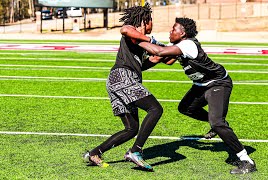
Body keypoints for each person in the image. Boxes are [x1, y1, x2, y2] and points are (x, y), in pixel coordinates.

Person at [136, 17, 257, 174]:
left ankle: (246, 160)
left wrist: (139, 39)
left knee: (217, 123)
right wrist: (135, 66)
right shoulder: (179, 45)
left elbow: (159, 51)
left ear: (183, 33)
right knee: (186, 108)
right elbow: (161, 59)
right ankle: (217, 122)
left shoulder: (188, 44)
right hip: (201, 85)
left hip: (218, 83)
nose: (170, 31)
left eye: (174, 29)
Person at [83, 3, 164, 171]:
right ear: (145, 20)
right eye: (151, 21)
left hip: (118, 80)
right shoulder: (132, 31)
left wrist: (169, 53)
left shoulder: (140, 41)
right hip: (122, 78)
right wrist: (152, 40)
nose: (152, 25)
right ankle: (136, 151)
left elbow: (148, 62)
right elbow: (125, 30)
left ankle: (94, 153)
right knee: (155, 109)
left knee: (131, 128)